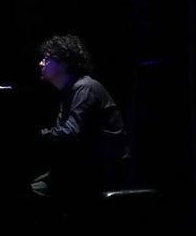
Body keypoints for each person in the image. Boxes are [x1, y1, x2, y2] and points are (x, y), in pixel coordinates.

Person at [30, 33, 131, 202]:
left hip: (102, 172)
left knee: (34, 191)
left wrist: (38, 135)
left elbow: (71, 134)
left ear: (63, 63)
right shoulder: (70, 92)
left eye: (47, 59)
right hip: (86, 168)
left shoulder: (85, 88)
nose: (41, 63)